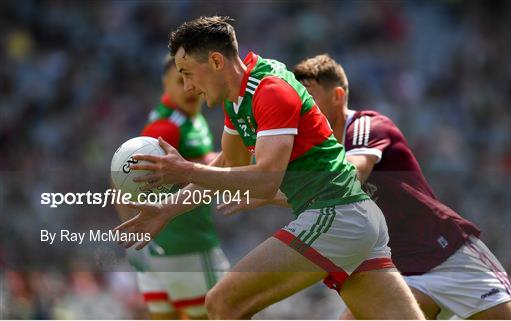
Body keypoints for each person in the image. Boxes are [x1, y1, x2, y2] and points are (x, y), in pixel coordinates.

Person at [114, 16, 424, 319]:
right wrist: (166, 211)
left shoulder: (269, 90)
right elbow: (228, 164)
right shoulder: (237, 99)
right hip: (353, 218)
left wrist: (187, 170)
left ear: (217, 62)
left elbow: (265, 180)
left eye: (188, 73)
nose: (187, 86)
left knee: (223, 303)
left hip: (335, 214)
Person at [287, 54, 511, 319]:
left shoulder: (367, 125)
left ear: (337, 96)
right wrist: (251, 190)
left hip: (450, 256)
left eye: (308, 95)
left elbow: (352, 174)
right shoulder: (318, 155)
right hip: (402, 275)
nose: (301, 106)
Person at [113, 55, 229, 320]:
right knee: (226, 312)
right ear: (166, 83)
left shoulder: (189, 119)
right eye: (180, 80)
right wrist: (131, 232)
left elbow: (192, 163)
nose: (188, 88)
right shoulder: (165, 127)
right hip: (188, 246)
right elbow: (120, 174)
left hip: (165, 248)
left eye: (192, 79)